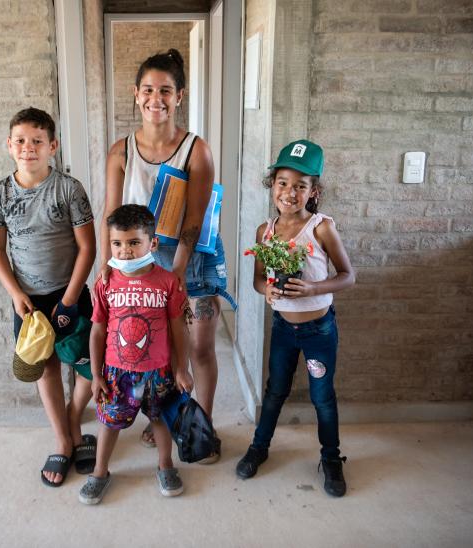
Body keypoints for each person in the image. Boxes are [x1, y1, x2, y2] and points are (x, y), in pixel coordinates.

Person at [99, 49, 235, 461]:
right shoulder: (121, 150)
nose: (155, 98)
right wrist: (107, 267)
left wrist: (177, 271)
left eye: (165, 90)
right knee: (160, 350)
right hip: (139, 261)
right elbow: (111, 212)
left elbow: (194, 218)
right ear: (136, 94)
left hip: (189, 258)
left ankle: (200, 427)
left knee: (199, 348)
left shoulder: (197, 150)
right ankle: (165, 416)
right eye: (148, 90)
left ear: (179, 97)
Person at [235, 139, 355, 497]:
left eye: (300, 186)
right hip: (283, 329)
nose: (290, 192)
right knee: (274, 392)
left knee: (322, 397)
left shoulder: (321, 228)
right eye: (283, 183)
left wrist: (313, 289)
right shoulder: (265, 231)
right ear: (272, 186)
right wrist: (266, 291)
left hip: (319, 330)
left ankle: (331, 458)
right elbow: (258, 279)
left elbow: (348, 275)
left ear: (313, 191)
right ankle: (259, 446)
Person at [0, 107, 97, 487]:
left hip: (71, 292)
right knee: (46, 366)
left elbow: (88, 249)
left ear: (53, 146)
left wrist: (68, 299)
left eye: (37, 141)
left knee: (86, 366)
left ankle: (73, 414)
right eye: (20, 141)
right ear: (9, 145)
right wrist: (15, 294)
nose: (28, 148)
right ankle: (66, 439)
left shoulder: (69, 189)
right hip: (28, 301)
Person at [79, 204, 193, 505]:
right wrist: (96, 374)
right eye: (117, 243)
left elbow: (179, 329)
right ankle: (100, 472)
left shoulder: (168, 283)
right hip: (117, 373)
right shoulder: (106, 283)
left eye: (133, 242)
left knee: (160, 420)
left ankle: (166, 465)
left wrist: (182, 369)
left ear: (151, 243)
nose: (125, 251)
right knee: (109, 422)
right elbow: (98, 331)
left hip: (160, 371)